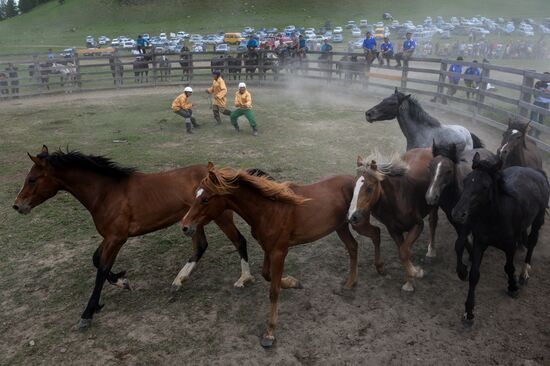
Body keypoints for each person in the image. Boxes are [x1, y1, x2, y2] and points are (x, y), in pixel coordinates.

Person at [530, 72, 550, 138]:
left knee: (541, 119)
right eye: (544, 76)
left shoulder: (544, 84)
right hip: (538, 102)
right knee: (534, 118)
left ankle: (536, 134)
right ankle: (532, 132)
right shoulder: (538, 83)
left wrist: (545, 91)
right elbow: (535, 93)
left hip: (545, 103)